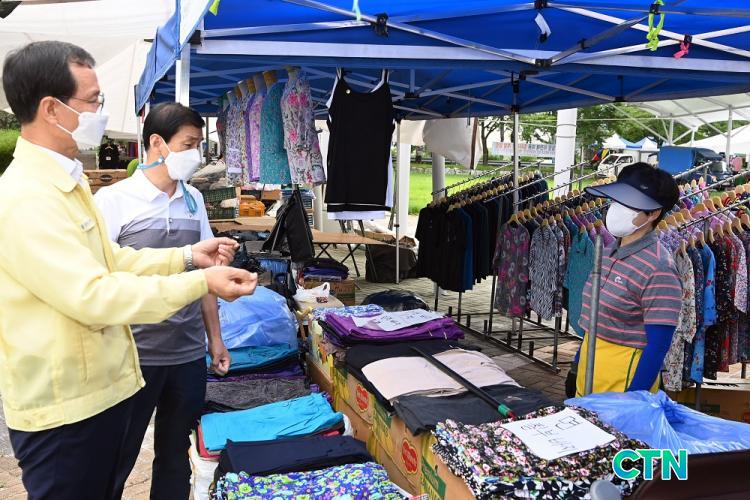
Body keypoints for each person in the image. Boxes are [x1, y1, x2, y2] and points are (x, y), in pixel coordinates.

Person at [0, 41, 257, 500]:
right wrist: (199, 280)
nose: (101, 113)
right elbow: (94, 294)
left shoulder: (67, 183)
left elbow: (112, 259)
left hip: (103, 389)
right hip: (66, 407)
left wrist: (187, 257)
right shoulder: (28, 197)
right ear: (51, 109)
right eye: (93, 101)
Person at [94, 102, 230, 499]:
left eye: (199, 144)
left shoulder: (194, 200)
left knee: (175, 456)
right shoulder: (114, 200)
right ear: (157, 143)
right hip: (132, 355)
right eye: (188, 144)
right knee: (116, 455)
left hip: (186, 354)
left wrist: (215, 340)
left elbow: (205, 278)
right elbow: (101, 277)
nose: (196, 154)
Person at [566, 163, 682, 397]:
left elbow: (658, 346)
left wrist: (633, 397)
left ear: (653, 213)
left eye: (629, 203)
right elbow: (594, 321)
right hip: (589, 372)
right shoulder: (608, 251)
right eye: (617, 200)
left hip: (624, 383)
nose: (617, 208)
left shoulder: (659, 268)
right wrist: (576, 366)